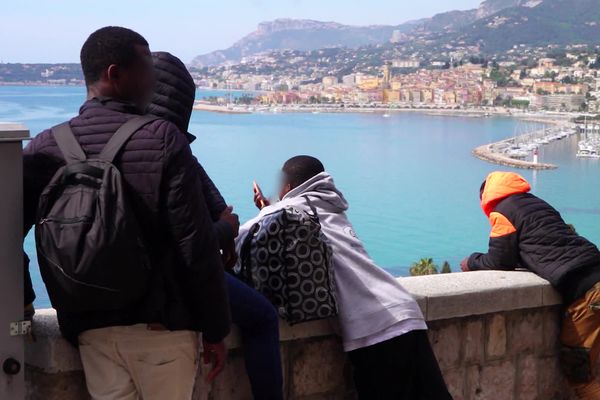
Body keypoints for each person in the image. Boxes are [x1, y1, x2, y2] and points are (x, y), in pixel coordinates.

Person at [23, 27, 230, 400]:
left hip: (91, 332)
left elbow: (6, 233)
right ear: (115, 74)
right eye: (146, 68)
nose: (153, 79)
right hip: (160, 333)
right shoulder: (162, 138)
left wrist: (24, 298)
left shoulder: (46, 145)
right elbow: (193, 247)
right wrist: (215, 330)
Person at [242, 155, 452, 400]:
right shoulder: (333, 207)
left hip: (373, 330)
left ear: (287, 186)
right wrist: (269, 210)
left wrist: (263, 214)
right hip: (404, 311)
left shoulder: (286, 211)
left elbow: (240, 240)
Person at [147, 51, 284, 400]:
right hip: (175, 283)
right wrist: (214, 329)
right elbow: (210, 228)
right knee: (264, 317)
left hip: (108, 301)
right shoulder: (174, 150)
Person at [461, 171, 600, 400]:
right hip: (594, 267)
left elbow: (499, 261)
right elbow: (538, 244)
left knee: (579, 374)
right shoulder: (538, 205)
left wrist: (472, 261)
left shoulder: (502, 212)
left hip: (587, 292)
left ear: (485, 196)